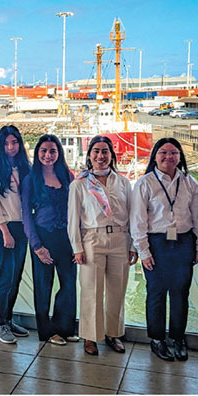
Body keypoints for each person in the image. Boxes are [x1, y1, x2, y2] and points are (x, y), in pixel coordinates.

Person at [130, 137, 198, 361]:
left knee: (181, 293)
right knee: (155, 293)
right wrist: (144, 251)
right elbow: (137, 221)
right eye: (163, 152)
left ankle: (177, 338)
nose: (168, 157)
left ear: (180, 157)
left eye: (173, 153)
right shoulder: (145, 183)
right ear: (155, 156)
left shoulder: (190, 182)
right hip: (156, 244)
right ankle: (156, 339)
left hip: (184, 242)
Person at [68, 135, 136, 356]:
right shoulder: (79, 184)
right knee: (91, 291)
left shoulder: (124, 182)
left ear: (111, 155)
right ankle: (90, 336)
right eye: (96, 151)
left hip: (119, 239)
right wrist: (77, 248)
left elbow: (133, 216)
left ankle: (113, 334)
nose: (100, 156)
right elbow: (73, 220)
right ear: (89, 156)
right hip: (92, 240)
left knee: (117, 290)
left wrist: (133, 245)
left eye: (105, 151)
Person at [20, 134, 77, 346]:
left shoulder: (67, 176)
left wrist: (77, 242)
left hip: (67, 238)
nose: (48, 155)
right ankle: (46, 331)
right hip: (43, 237)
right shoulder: (30, 180)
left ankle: (65, 327)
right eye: (43, 151)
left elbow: (76, 210)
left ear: (59, 153)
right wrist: (36, 246)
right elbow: (26, 213)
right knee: (43, 286)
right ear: (38, 153)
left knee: (69, 284)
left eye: (52, 151)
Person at [0, 125, 31, 344]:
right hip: (0, 228)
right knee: (5, 277)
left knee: (16, 277)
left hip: (22, 227)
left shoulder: (26, 167)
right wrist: (4, 231)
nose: (10, 147)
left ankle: (8, 319)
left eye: (14, 142)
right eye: (6, 143)